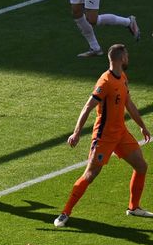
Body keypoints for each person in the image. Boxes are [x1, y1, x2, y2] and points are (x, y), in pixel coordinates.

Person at [54, 43, 152, 227]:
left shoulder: (122, 77)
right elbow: (88, 107)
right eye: (127, 55)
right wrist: (76, 133)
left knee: (141, 166)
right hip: (104, 137)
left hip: (121, 133)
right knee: (90, 174)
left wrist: (142, 126)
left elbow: (128, 103)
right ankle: (65, 212)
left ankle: (134, 207)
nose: (128, 58)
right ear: (121, 58)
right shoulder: (105, 82)